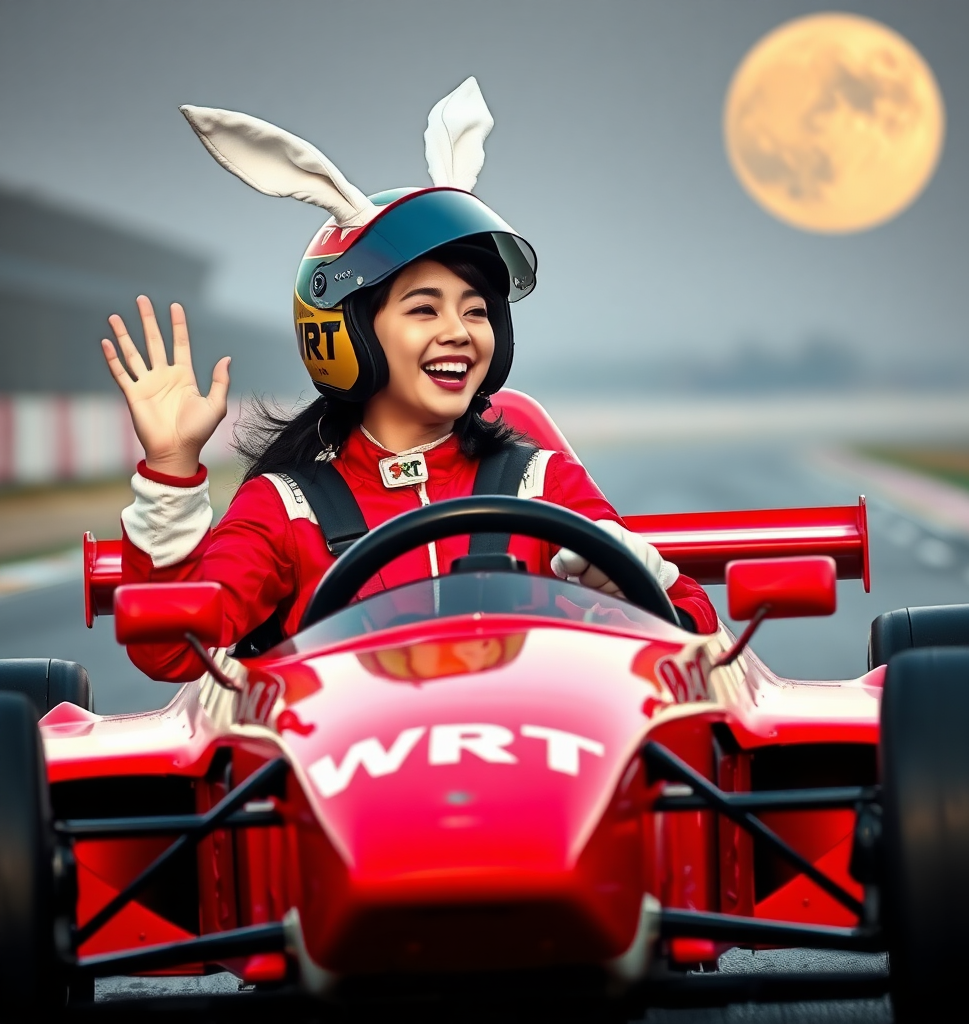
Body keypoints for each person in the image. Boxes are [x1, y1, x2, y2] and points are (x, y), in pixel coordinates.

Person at [104, 79, 717, 682]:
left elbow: (695, 632)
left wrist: (642, 587)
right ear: (349, 332)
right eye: (424, 308)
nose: (458, 331)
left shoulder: (543, 483)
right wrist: (172, 466)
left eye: (476, 310)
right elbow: (171, 652)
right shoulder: (286, 508)